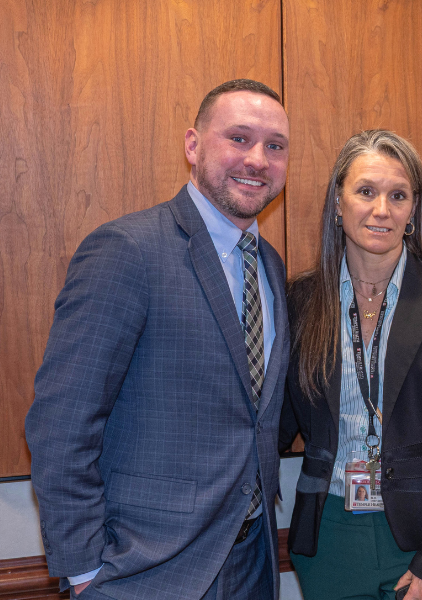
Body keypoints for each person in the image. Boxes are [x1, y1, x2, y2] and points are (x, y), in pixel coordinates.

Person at [25, 79, 290, 600]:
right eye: (238, 138)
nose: (258, 159)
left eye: (275, 146)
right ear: (193, 145)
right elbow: (61, 423)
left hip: (251, 564)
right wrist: (82, 572)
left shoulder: (271, 267)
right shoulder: (128, 250)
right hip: (145, 572)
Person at [279, 129, 422, 600]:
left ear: (413, 210)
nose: (382, 209)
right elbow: (271, 423)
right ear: (338, 204)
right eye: (365, 192)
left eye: (398, 195)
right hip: (329, 537)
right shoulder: (301, 301)